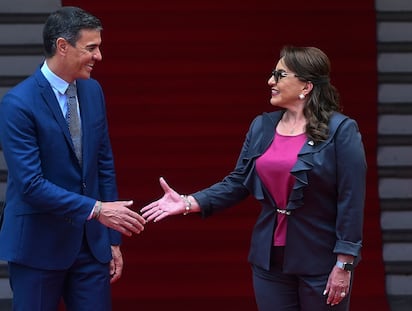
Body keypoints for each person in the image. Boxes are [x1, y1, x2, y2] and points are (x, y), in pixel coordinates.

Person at [141, 46, 366, 310]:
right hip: (268, 259)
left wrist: (344, 263)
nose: (271, 81)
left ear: (306, 86)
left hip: (320, 259)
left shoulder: (341, 130)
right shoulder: (262, 126)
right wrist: (190, 202)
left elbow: (351, 198)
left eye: (280, 75)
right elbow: (238, 182)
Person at [0, 6, 146, 311]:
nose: (99, 57)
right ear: (62, 46)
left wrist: (112, 238)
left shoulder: (93, 92)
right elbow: (30, 184)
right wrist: (96, 209)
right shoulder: (17, 103)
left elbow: (103, 163)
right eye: (91, 48)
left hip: (90, 246)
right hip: (37, 246)